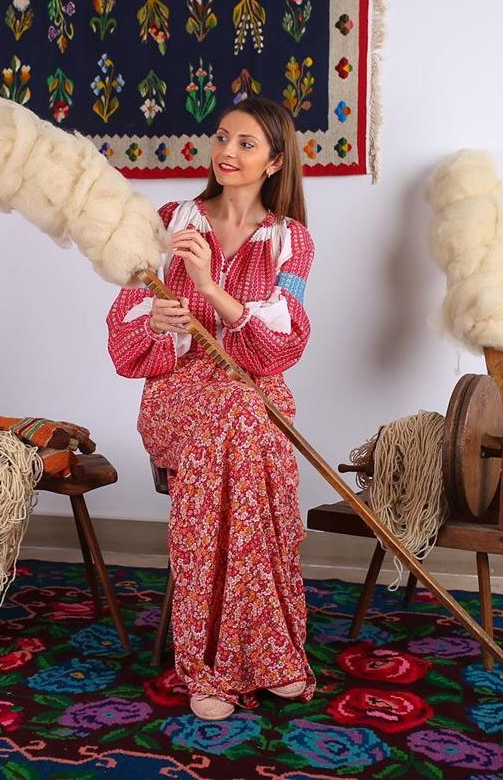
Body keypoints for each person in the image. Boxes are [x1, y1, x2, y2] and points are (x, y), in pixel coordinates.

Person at [106, 97, 316, 720]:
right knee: (241, 420)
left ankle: (256, 655)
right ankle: (224, 664)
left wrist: (207, 288)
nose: (227, 151)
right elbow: (123, 328)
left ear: (275, 161)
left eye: (246, 144)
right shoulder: (169, 222)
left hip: (253, 396)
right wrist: (158, 318)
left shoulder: (291, 242)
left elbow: (282, 343)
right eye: (222, 137)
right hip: (178, 397)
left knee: (246, 418)